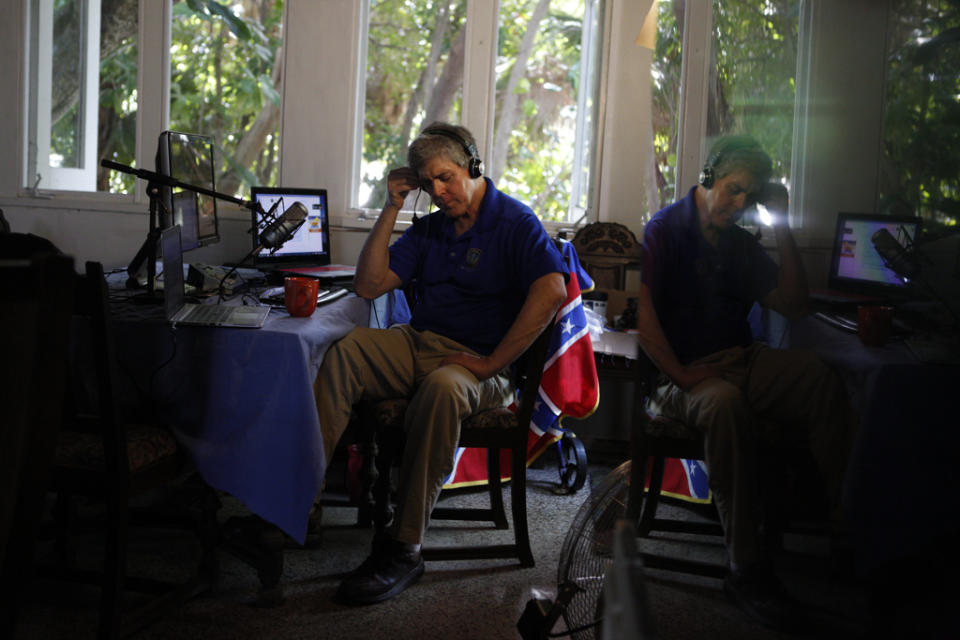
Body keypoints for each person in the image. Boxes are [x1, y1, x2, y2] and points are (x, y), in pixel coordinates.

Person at [313, 122, 568, 605]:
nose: (438, 191)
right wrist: (392, 205)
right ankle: (300, 503)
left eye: (447, 178)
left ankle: (404, 546)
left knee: (443, 388)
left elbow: (552, 291)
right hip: (418, 343)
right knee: (346, 350)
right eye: (428, 183)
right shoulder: (430, 227)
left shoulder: (515, 221)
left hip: (476, 366)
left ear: (472, 166)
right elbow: (368, 285)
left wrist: (491, 362)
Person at [636, 135, 857, 630]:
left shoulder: (739, 242)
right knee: (725, 404)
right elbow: (644, 321)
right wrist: (685, 376)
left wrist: (782, 228)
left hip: (740, 359)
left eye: (748, 197)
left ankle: (847, 528)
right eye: (733, 190)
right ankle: (745, 566)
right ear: (709, 175)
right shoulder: (666, 229)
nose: (738, 205)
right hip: (682, 376)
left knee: (818, 378)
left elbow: (793, 305)